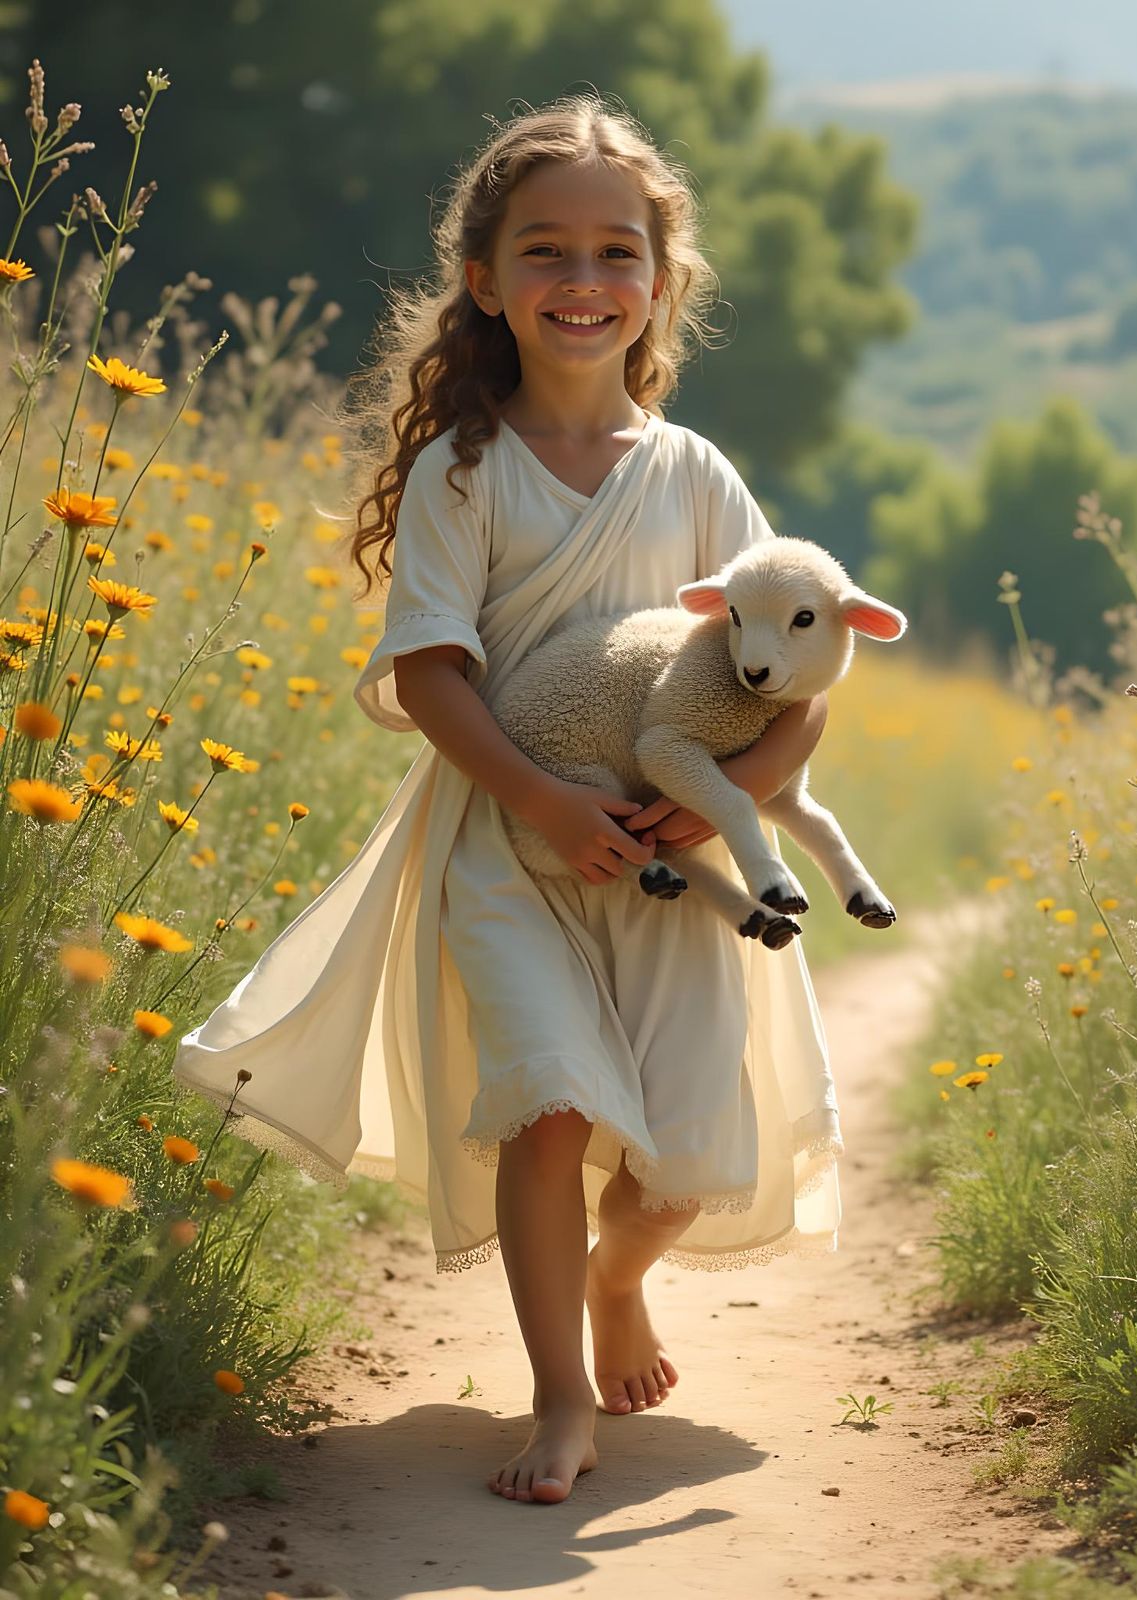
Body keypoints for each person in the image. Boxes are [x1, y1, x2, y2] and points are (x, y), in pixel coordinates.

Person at [171, 93, 846, 1505]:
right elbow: (429, 676)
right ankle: (558, 1399)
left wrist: (725, 798)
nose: (582, 279)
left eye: (616, 252)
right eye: (546, 250)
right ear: (484, 280)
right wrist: (543, 801)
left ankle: (618, 1280)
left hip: (672, 870)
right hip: (511, 844)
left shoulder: (698, 476)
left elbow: (800, 684)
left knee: (677, 1164)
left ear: (661, 281)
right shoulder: (462, 472)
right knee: (545, 1103)